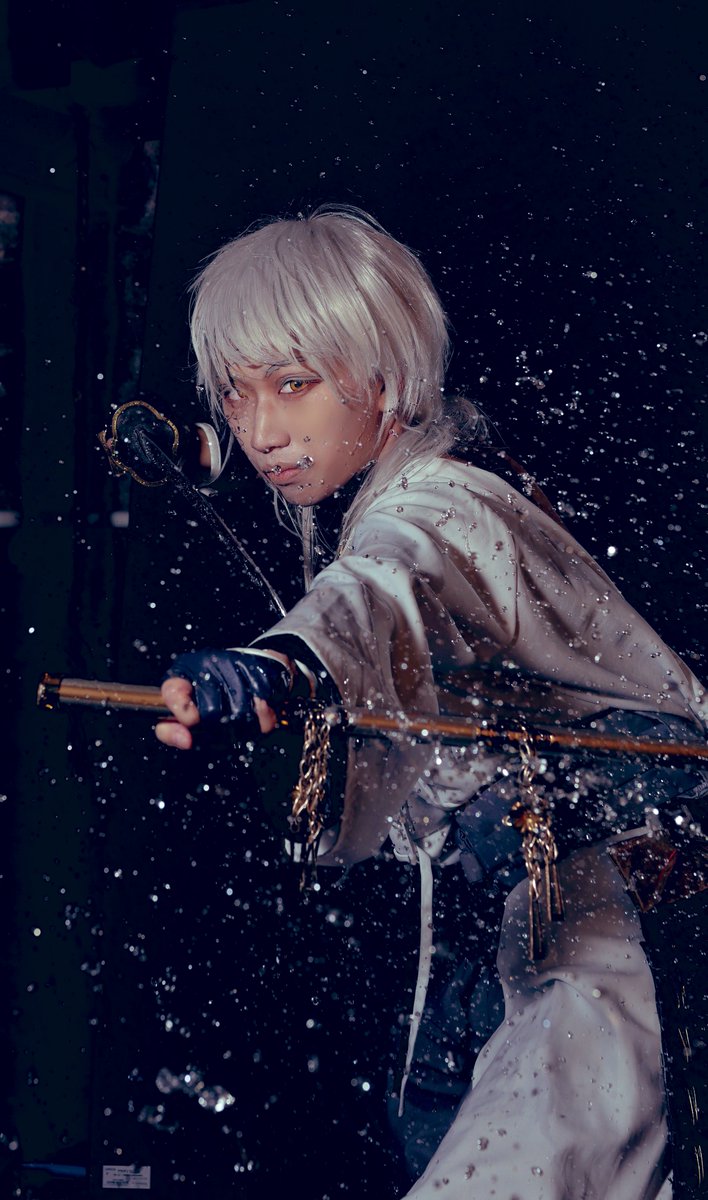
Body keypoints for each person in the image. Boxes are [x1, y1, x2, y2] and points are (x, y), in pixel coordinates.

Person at [140, 206, 707, 1198]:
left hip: (636, 909)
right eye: (235, 392)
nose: (261, 431)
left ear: (387, 376)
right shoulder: (396, 500)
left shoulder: (439, 505)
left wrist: (287, 667)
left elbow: (382, 594)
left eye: (293, 383)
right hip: (544, 923)